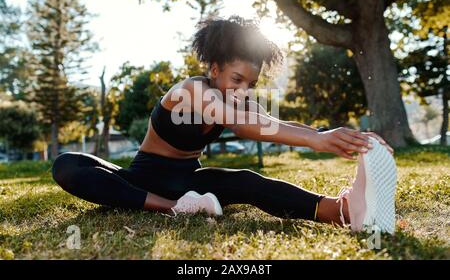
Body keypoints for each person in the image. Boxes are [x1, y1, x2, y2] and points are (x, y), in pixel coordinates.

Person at [52, 16, 397, 232]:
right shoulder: (191, 89)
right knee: (68, 165)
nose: (242, 89)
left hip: (193, 184)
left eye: (250, 83)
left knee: (247, 181)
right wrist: (316, 142)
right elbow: (236, 122)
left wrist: (324, 135)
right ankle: (173, 208)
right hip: (141, 181)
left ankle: (343, 211)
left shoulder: (238, 98)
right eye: (236, 78)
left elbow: (266, 121)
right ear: (214, 69)